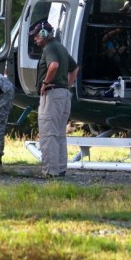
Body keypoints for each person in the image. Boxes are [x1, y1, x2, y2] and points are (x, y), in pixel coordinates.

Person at [29, 20, 79, 178]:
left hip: (52, 95)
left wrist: (45, 82)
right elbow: (75, 67)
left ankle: (50, 172)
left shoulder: (49, 47)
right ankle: (60, 169)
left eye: (36, 36)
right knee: (59, 134)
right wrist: (67, 86)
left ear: (44, 34)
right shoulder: (60, 47)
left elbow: (54, 65)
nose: (35, 39)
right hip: (63, 94)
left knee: (48, 133)